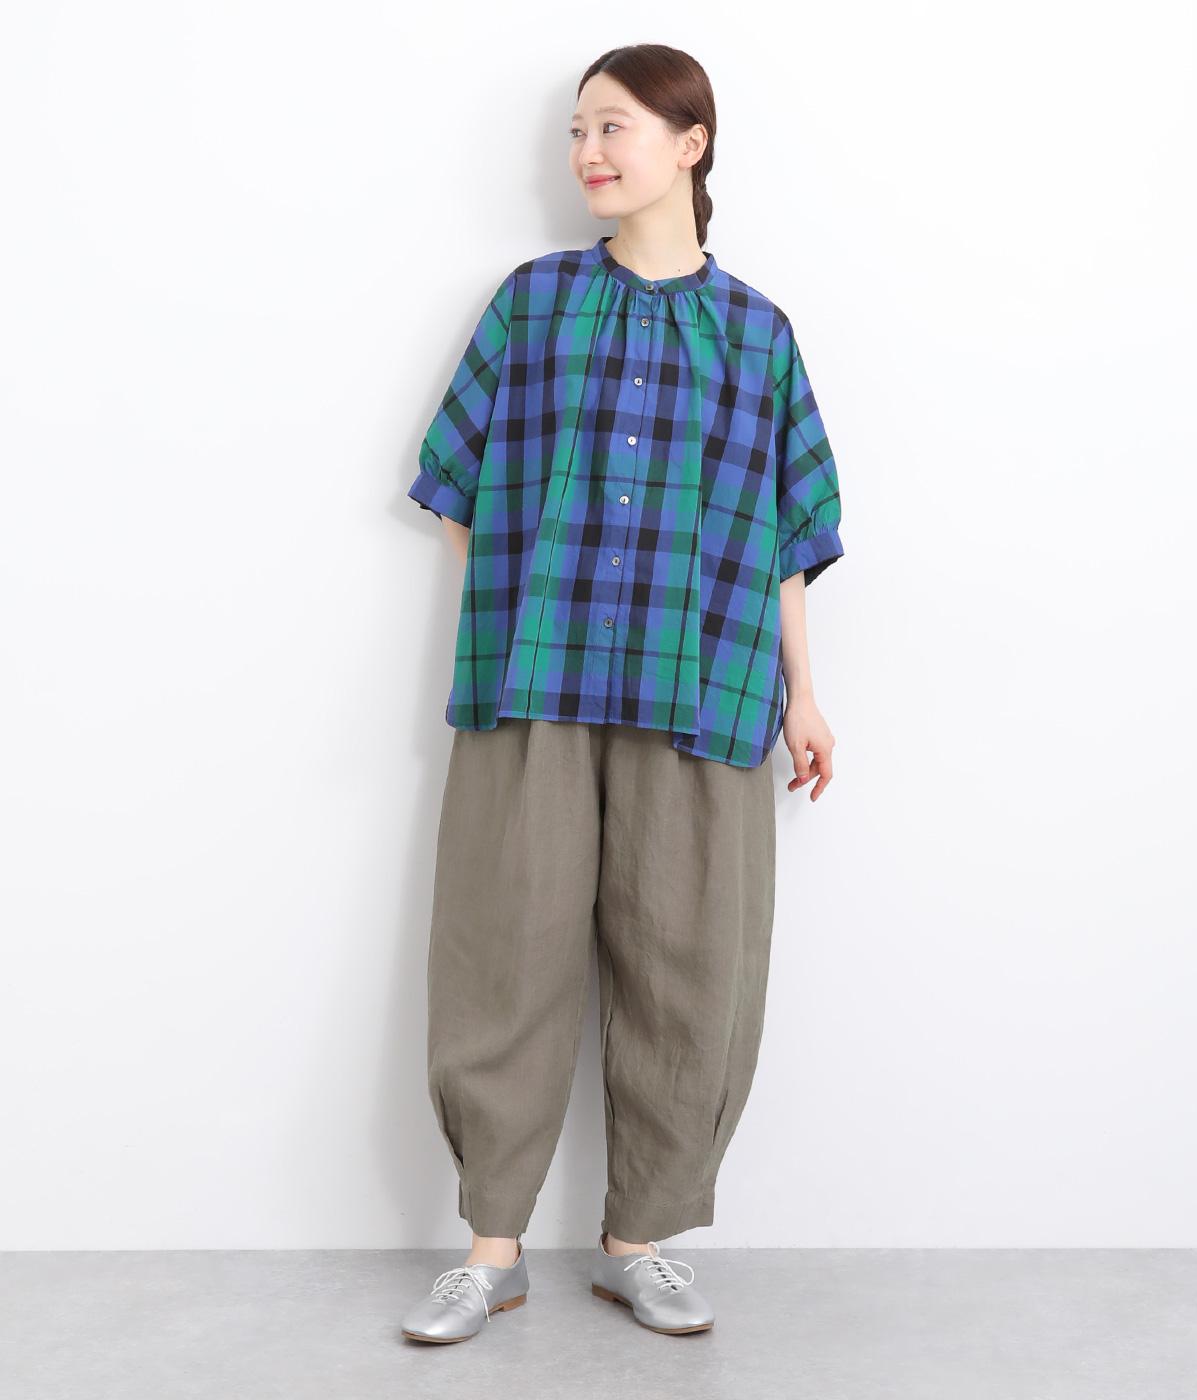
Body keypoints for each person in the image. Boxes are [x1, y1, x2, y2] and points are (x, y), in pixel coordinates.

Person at [400, 43, 844, 1344]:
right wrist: (525, 609)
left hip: (707, 685)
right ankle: (490, 1251)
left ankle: (638, 1243)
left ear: (689, 142)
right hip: (535, 686)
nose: (587, 152)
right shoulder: (533, 304)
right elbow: (457, 490)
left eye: (613, 127)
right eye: (577, 131)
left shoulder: (758, 333)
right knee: (504, 953)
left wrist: (804, 695)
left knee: (690, 964)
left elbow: (784, 533)